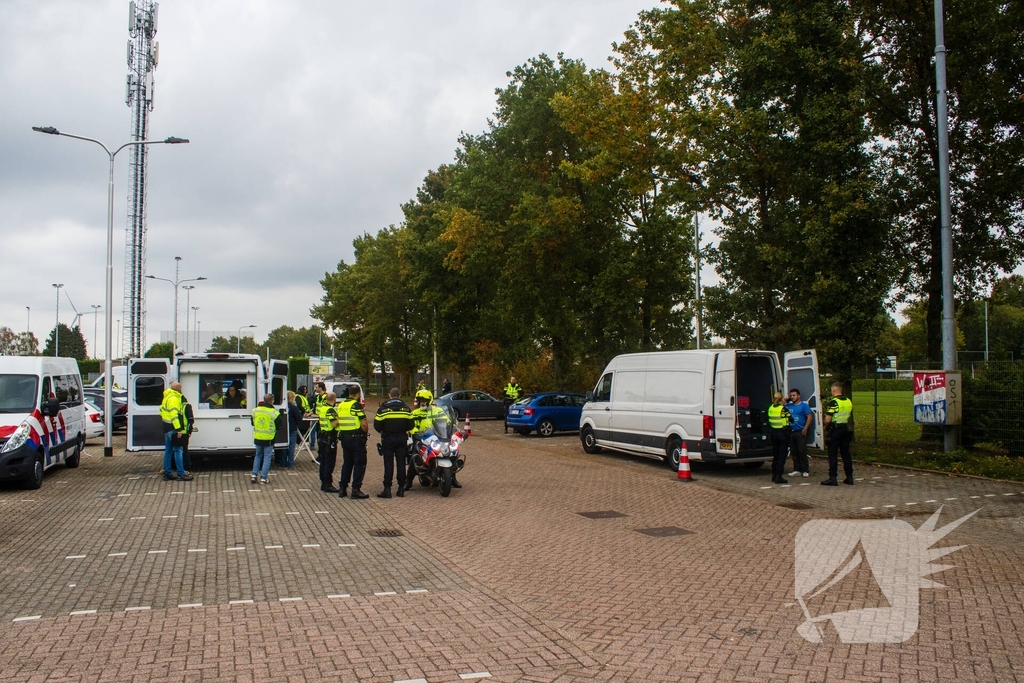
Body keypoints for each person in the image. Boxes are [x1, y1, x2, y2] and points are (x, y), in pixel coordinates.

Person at [409, 389, 460, 490]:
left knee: (452, 453)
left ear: (429, 400)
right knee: (414, 457)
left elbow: (448, 422)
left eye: (424, 400)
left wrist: (454, 429)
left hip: (438, 437)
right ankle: (408, 481)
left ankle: (453, 478)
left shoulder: (439, 411)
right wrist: (415, 432)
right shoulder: (415, 413)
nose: (422, 402)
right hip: (421, 438)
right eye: (420, 400)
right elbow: (410, 426)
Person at [373, 387, 415, 498]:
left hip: (388, 439)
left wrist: (385, 430)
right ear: (400, 395)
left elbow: (377, 426)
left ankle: (387, 489)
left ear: (389, 395)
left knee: (388, 464)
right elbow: (411, 425)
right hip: (401, 438)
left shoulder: (383, 409)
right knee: (401, 463)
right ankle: (401, 489)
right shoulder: (406, 409)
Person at [337, 384, 369, 499]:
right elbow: (364, 423)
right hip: (356, 438)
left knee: (347, 463)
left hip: (344, 438)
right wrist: (365, 432)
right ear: (358, 394)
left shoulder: (341, 405)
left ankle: (342, 488)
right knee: (359, 463)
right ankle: (355, 490)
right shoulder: (356, 405)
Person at [821, 382, 854, 486]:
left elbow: (827, 419)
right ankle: (849, 477)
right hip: (845, 429)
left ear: (834, 390)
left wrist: (825, 423)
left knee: (833, 454)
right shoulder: (848, 401)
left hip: (835, 430)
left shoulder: (833, 403)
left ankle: (833, 478)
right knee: (846, 454)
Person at [160, 381, 192, 481]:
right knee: (178, 450)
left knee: (168, 451)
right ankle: (181, 473)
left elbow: (161, 411)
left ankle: (167, 473)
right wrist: (178, 429)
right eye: (180, 388)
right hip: (173, 428)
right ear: (178, 389)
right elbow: (174, 416)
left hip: (166, 427)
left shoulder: (167, 397)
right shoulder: (174, 398)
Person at [250, 393, 278, 485]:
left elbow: (252, 423)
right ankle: (263, 478)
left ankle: (254, 475)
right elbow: (279, 425)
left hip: (258, 437)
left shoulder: (255, 410)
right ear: (271, 401)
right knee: (267, 457)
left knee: (258, 456)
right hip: (269, 438)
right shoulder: (274, 412)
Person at [786, 388, 814, 478]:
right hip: (791, 431)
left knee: (801, 451)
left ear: (798, 396)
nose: (792, 397)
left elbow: (809, 417)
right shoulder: (789, 406)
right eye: (791, 396)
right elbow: (780, 406)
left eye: (794, 395)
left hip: (800, 431)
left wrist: (805, 428)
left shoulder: (804, 406)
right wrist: (785, 400)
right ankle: (796, 469)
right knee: (794, 451)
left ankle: (805, 470)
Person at [316, 391, 340, 492]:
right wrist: (340, 420)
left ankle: (323, 482)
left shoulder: (322, 408)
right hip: (330, 439)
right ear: (334, 400)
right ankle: (327, 484)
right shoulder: (330, 410)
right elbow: (334, 424)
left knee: (323, 461)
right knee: (329, 462)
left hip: (322, 437)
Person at [767, 391, 791, 484]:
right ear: (781, 399)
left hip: (774, 433)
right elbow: (790, 418)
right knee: (782, 455)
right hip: (782, 433)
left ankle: (774, 475)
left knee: (776, 455)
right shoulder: (783, 409)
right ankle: (779, 476)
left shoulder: (771, 408)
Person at [283, 390, 304, 469]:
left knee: (284, 446)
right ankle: (290, 463)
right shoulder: (293, 407)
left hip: (284, 428)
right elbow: (299, 417)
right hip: (292, 428)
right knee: (291, 446)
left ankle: (283, 462)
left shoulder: (283, 406)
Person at [177, 393, 195, 477]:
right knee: (183, 451)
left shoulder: (182, 406)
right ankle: (186, 467)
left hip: (180, 432)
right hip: (183, 432)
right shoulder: (187, 406)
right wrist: (189, 431)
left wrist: (188, 431)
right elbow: (191, 420)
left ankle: (186, 467)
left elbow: (190, 419)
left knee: (181, 451)